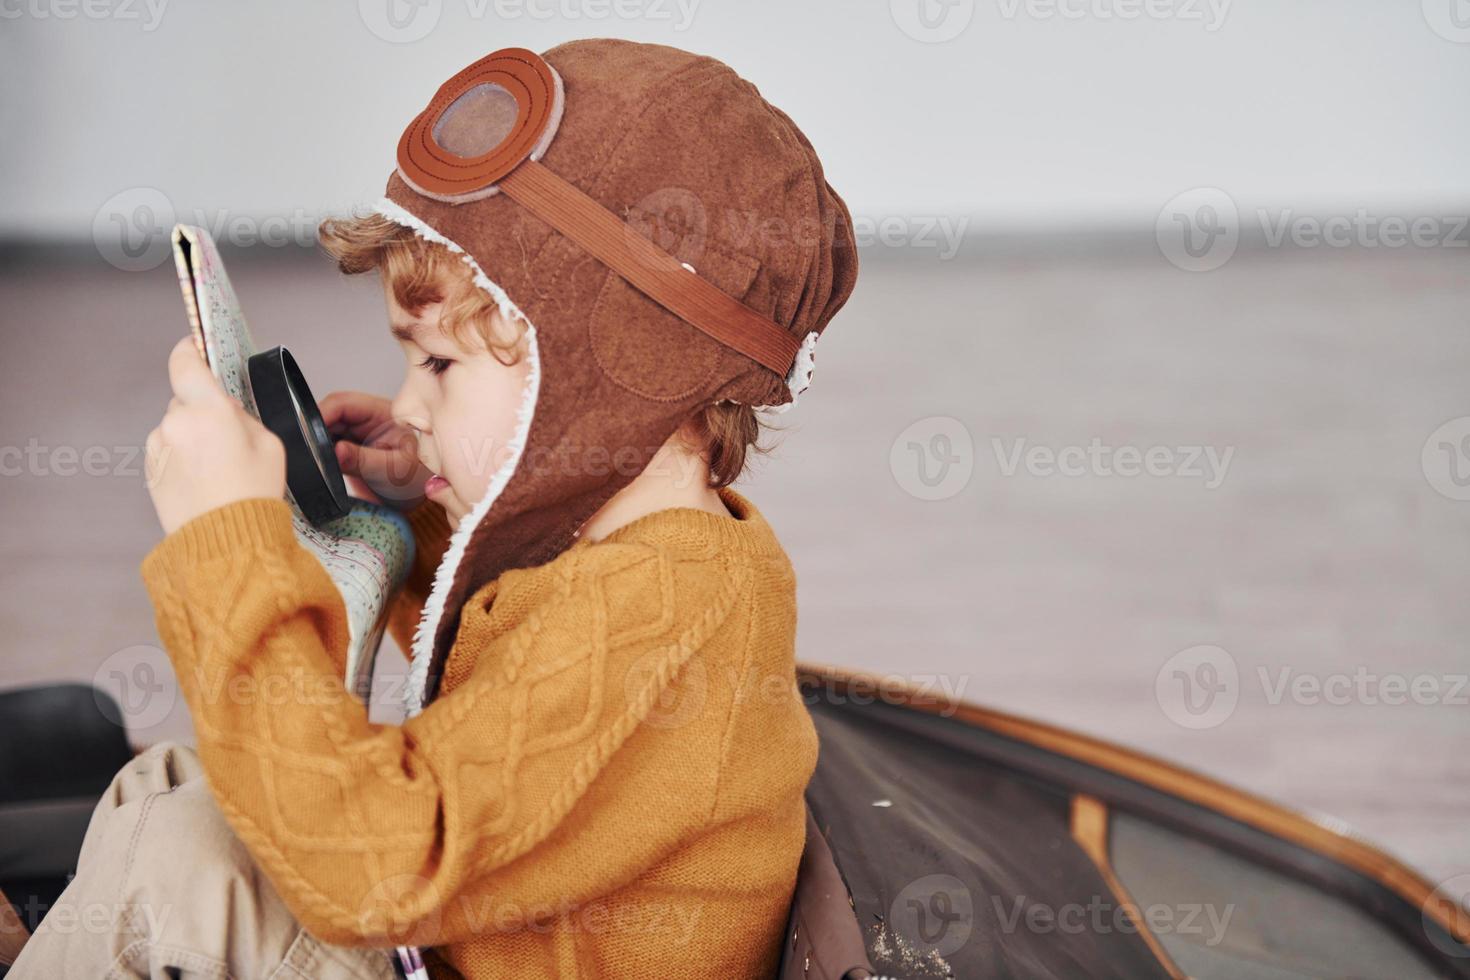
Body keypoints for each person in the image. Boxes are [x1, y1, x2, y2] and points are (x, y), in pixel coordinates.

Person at [10, 38, 857, 979]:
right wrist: (416, 521)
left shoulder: (660, 604)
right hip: (466, 932)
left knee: (171, 862)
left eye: (440, 365)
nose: (409, 404)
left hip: (426, 917)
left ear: (604, 374)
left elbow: (376, 868)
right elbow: (511, 676)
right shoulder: (647, 549)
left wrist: (226, 544)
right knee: (170, 791)